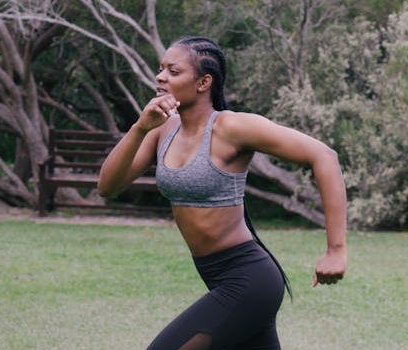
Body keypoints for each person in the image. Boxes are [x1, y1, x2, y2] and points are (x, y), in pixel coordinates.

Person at [97, 36, 348, 350]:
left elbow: (324, 156)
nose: (160, 77)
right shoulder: (162, 129)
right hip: (218, 276)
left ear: (204, 82)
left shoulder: (231, 128)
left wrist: (336, 249)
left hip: (248, 279)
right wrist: (139, 127)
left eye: (173, 72)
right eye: (160, 69)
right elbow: (108, 186)